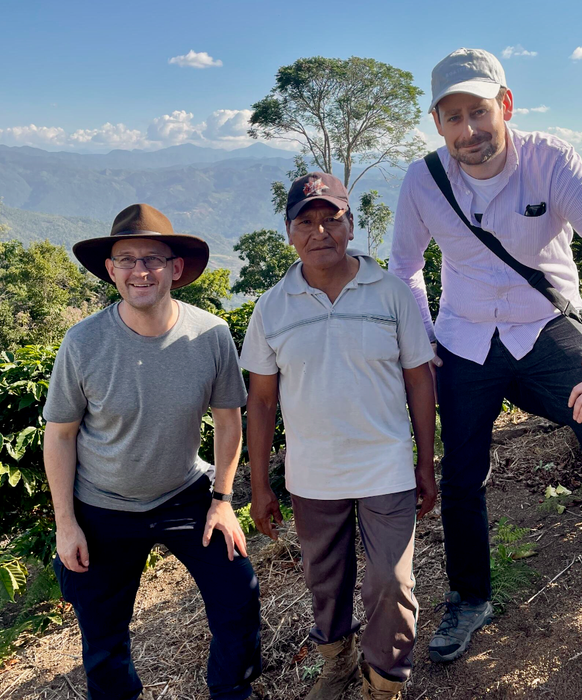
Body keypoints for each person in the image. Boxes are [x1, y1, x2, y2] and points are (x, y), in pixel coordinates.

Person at [389, 47, 582, 691]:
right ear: (437, 122)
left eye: (480, 112)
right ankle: (469, 598)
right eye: (453, 117)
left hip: (544, 327)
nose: (469, 131)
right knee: (461, 473)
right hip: (463, 337)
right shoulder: (423, 180)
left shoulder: (550, 160)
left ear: (506, 106)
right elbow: (404, 267)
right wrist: (426, 339)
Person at [43, 203, 262, 700]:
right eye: (128, 259)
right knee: (103, 638)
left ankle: (232, 692)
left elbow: (229, 420)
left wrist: (223, 501)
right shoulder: (83, 343)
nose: (141, 271)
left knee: (238, 598)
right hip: (102, 504)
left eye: (153, 259)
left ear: (176, 268)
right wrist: (66, 523)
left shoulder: (210, 335)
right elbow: (58, 436)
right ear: (110, 270)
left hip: (186, 494)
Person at [240, 172, 436, 700]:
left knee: (390, 583)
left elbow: (420, 377)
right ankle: (338, 661)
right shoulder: (272, 308)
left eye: (332, 218)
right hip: (313, 475)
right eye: (306, 221)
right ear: (288, 232)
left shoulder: (390, 292)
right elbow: (259, 403)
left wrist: (425, 461)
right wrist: (260, 486)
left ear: (351, 225)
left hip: (387, 466)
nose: (320, 230)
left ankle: (384, 681)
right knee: (325, 582)